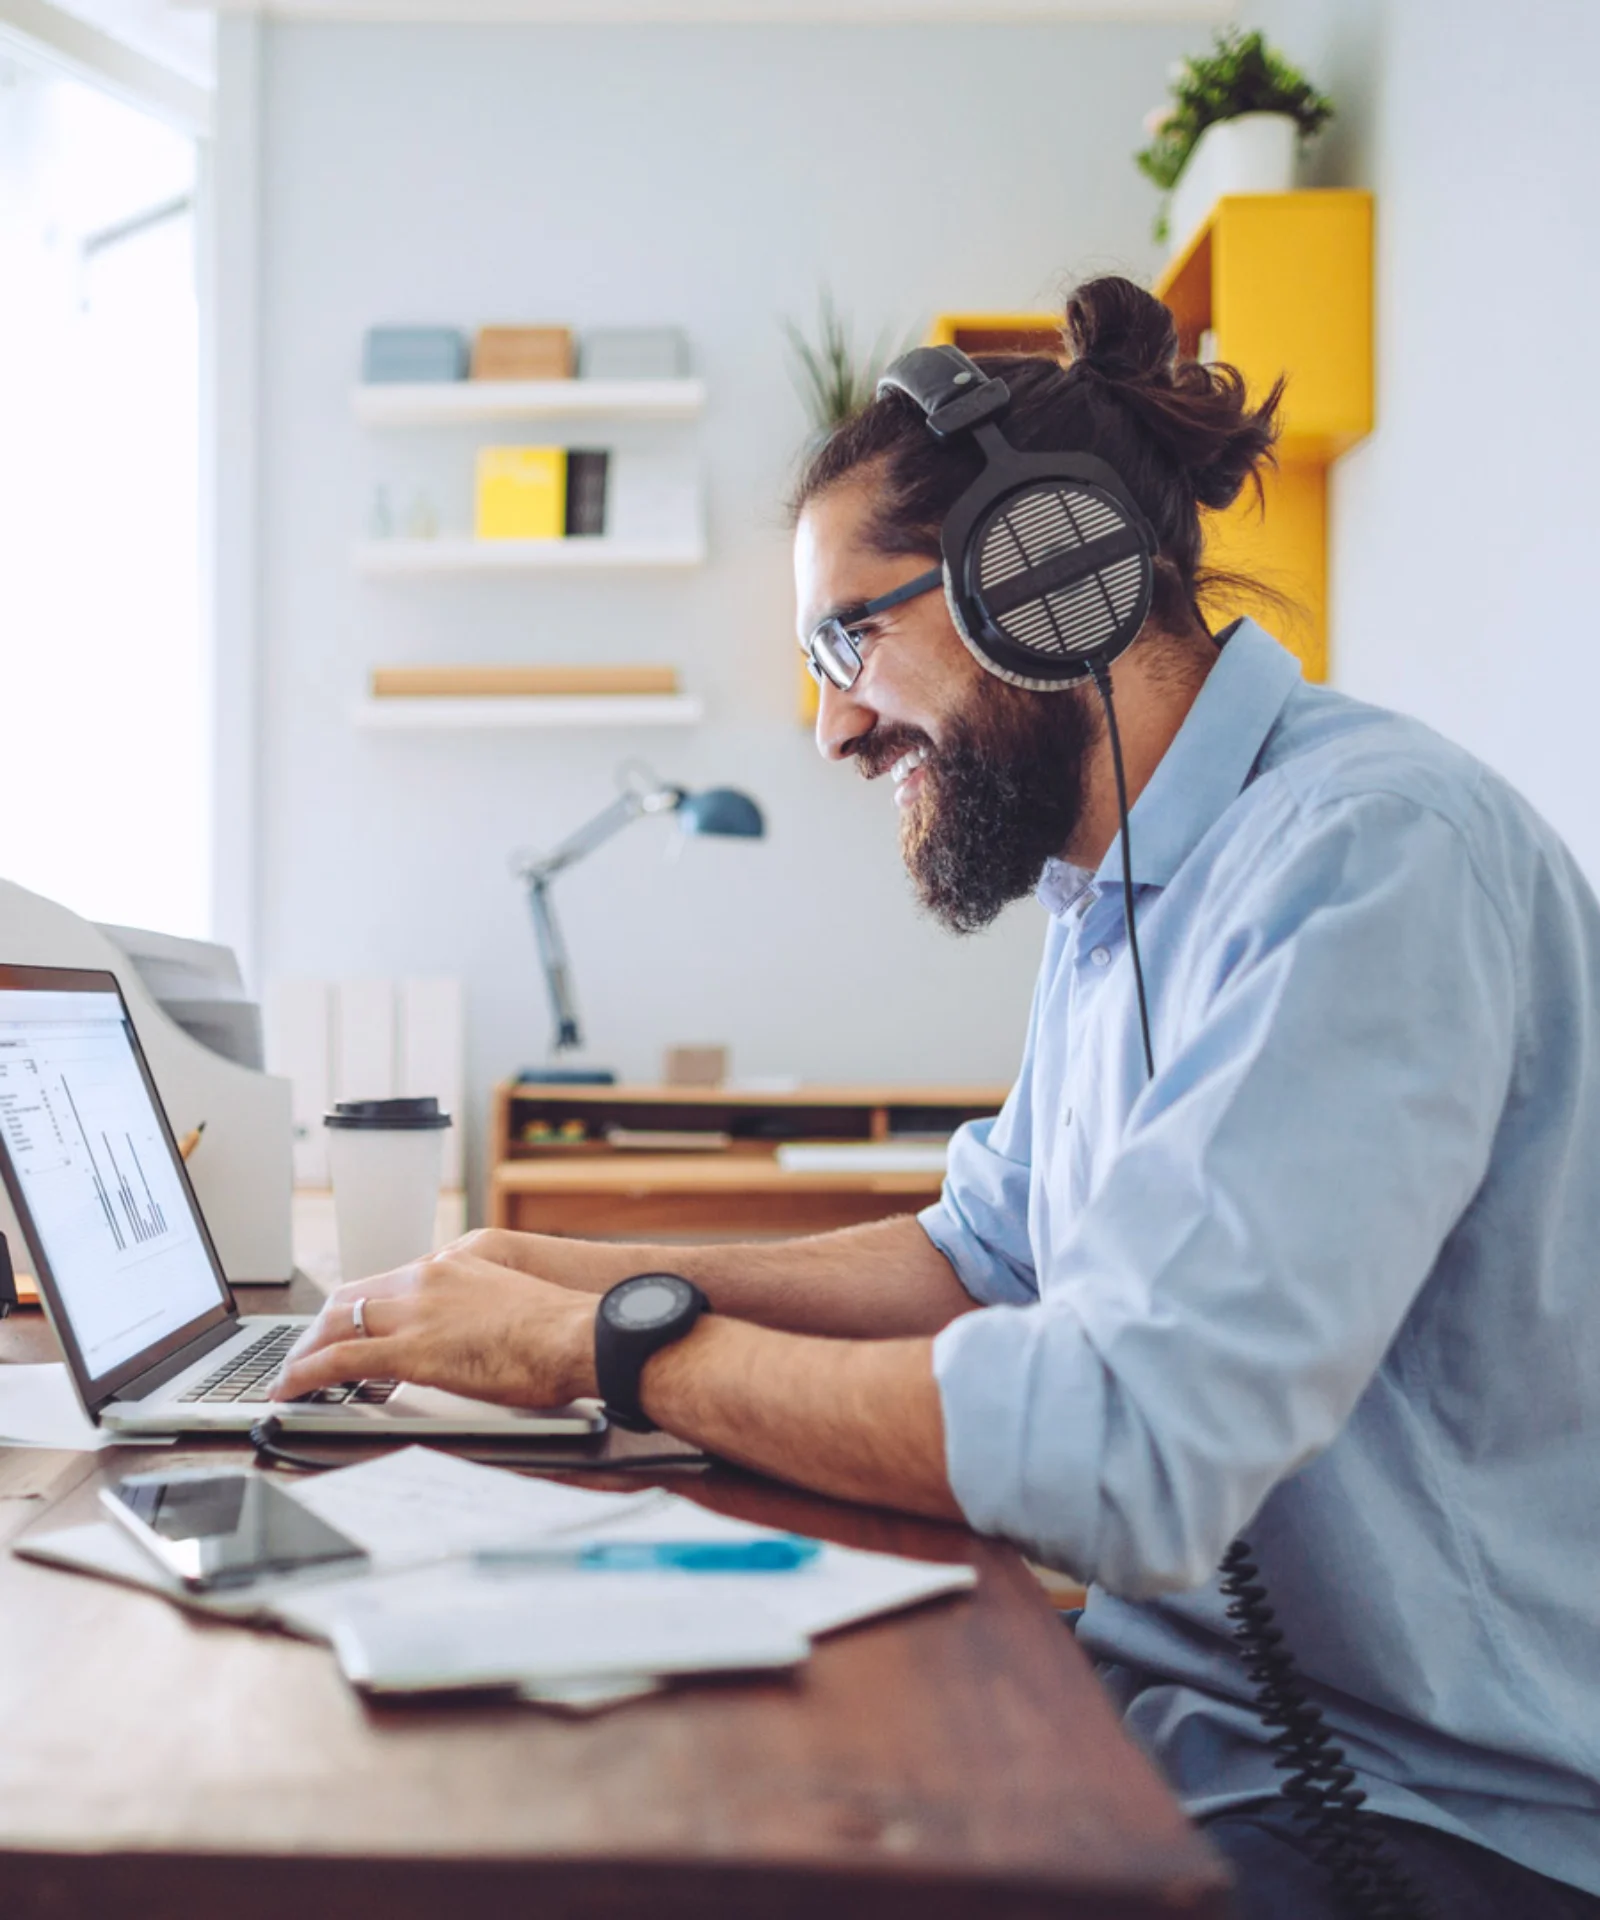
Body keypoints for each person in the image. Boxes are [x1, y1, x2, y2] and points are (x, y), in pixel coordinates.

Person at [278, 277, 1600, 1919]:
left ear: (1049, 581)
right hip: (1180, 1731)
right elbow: (988, 1254)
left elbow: (1130, 1450)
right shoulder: (1115, 888)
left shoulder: (1371, 860)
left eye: (851, 638)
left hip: (1425, 1817)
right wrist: (560, 1272)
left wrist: (614, 1351)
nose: (831, 726)